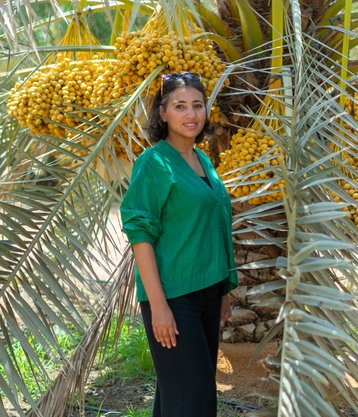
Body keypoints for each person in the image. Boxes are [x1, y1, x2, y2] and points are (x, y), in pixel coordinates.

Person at [120, 71, 238, 417]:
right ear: (162, 112)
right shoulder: (153, 163)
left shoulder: (203, 161)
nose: (191, 114)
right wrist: (158, 306)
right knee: (194, 398)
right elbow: (140, 235)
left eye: (198, 105)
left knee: (181, 397)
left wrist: (223, 292)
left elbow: (213, 227)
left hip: (208, 292)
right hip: (174, 297)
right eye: (180, 106)